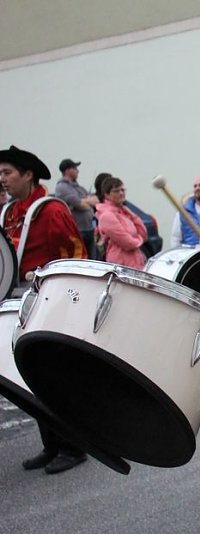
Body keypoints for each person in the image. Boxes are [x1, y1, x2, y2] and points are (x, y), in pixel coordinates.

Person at [0, 145, 88, 474]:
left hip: (50, 302)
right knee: (30, 377)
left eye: (8, 173)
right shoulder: (9, 213)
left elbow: (74, 258)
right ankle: (51, 445)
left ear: (27, 175)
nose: (2, 179)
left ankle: (73, 446)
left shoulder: (51, 210)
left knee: (55, 377)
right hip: (18, 303)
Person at [95, 177, 148, 270]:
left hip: (135, 262)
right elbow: (127, 243)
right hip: (120, 265)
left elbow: (143, 234)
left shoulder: (123, 211)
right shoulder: (107, 216)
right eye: (116, 191)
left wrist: (132, 215)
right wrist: (139, 241)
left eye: (122, 190)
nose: (121, 193)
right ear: (106, 195)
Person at [55, 158, 99, 259]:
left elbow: (95, 200)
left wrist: (85, 201)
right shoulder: (62, 187)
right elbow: (81, 205)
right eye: (75, 168)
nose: (77, 171)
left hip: (89, 230)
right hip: (77, 231)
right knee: (81, 261)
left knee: (92, 261)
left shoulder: (78, 187)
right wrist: (87, 201)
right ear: (67, 170)